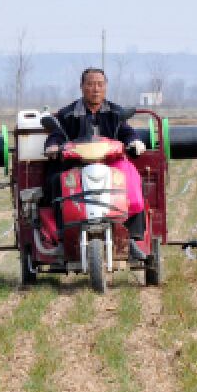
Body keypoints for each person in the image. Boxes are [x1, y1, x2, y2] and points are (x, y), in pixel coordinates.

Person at [44, 67, 149, 260]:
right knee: (57, 182)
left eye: (100, 84)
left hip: (111, 166)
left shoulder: (116, 113)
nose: (95, 89)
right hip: (76, 166)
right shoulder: (67, 114)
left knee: (134, 183)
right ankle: (61, 237)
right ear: (82, 87)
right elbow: (56, 134)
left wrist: (135, 142)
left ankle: (133, 237)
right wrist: (53, 146)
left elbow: (126, 132)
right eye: (90, 84)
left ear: (106, 87)